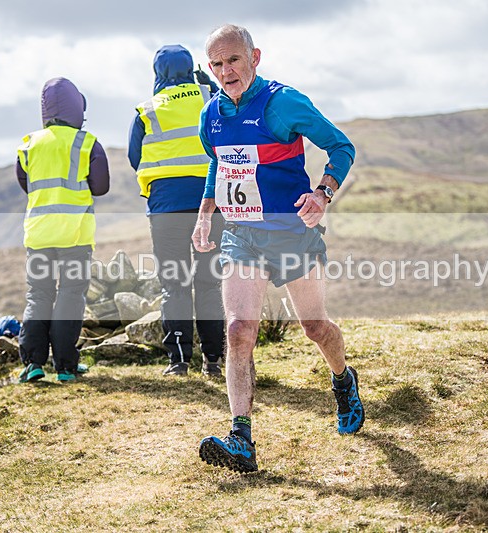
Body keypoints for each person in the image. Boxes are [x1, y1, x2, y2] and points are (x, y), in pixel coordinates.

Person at [192, 25, 364, 473]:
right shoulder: (210, 115)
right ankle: (241, 439)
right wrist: (206, 213)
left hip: (291, 235)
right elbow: (218, 162)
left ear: (255, 57)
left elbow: (341, 147)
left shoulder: (283, 102)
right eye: (217, 64)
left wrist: (322, 194)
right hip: (242, 236)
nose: (226, 72)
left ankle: (343, 380)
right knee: (238, 332)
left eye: (233, 60)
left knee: (315, 328)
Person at [128, 44, 226, 377]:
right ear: (191, 68)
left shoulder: (147, 110)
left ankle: (178, 361)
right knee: (210, 283)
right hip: (210, 204)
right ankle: (213, 361)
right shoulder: (208, 96)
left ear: (158, 73)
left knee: (175, 284)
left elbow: (134, 157)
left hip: (166, 207)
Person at [16, 77, 110, 383]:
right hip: (75, 234)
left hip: (39, 233)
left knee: (38, 295)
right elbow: (101, 186)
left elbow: (26, 184)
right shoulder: (86, 142)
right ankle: (66, 367)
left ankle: (33, 364)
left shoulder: (29, 143)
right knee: (70, 295)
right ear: (77, 107)